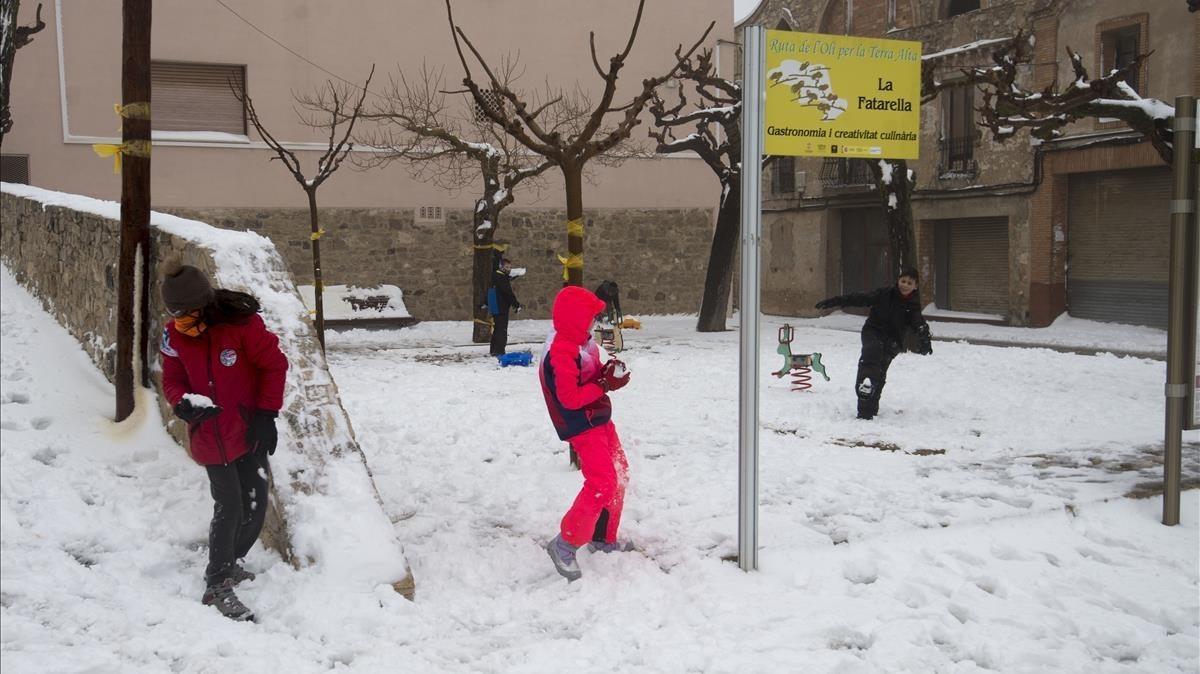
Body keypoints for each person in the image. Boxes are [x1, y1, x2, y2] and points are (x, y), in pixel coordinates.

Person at [158, 264, 289, 622]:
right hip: (210, 434)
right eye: (175, 313)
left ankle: (229, 562)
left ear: (203, 304)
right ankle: (217, 582)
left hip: (248, 430)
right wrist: (182, 402)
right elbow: (172, 378)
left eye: (186, 312)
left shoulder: (241, 326)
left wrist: (266, 414)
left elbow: (274, 365)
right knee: (229, 505)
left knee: (256, 504)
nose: (180, 319)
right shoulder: (174, 336)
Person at [539, 286, 632, 581]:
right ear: (575, 319)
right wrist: (604, 386)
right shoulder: (561, 351)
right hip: (582, 425)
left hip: (599, 416)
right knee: (602, 481)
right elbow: (569, 397)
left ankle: (603, 537)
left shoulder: (582, 343)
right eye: (590, 318)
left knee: (618, 474)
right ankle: (565, 544)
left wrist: (608, 372)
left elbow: (589, 377)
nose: (594, 323)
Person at [814, 267, 932, 420]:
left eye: (909, 283)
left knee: (881, 371)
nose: (905, 285)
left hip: (893, 341)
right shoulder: (884, 294)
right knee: (872, 352)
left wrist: (925, 340)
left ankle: (871, 409)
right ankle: (865, 388)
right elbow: (858, 298)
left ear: (915, 286)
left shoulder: (913, 306)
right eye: (903, 281)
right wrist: (834, 301)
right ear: (898, 281)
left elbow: (919, 323)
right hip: (873, 332)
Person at [486, 254, 522, 357]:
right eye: (506, 267)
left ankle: (494, 349)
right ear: (501, 267)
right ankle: (499, 351)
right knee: (501, 329)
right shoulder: (501, 277)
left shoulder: (496, 276)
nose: (509, 269)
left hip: (496, 305)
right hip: (500, 306)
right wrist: (516, 304)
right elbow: (507, 292)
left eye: (510, 267)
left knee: (497, 328)